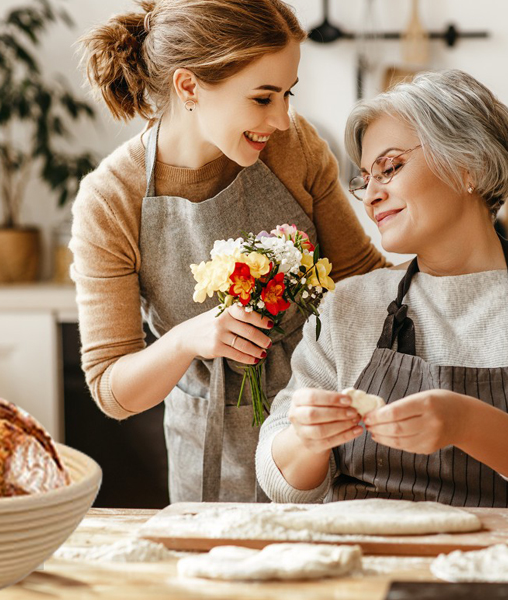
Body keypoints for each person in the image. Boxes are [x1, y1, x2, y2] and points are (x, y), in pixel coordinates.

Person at [256, 69, 508, 519]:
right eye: (366, 178)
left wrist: (468, 423)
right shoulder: (349, 304)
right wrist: (306, 439)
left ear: (471, 165)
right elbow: (280, 483)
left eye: (390, 167)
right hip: (358, 564)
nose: (370, 197)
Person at [71, 0, 387, 504]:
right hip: (209, 453)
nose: (282, 119)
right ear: (189, 86)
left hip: (323, 429)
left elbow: (365, 283)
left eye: (287, 94)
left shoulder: (293, 147)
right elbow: (114, 392)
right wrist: (186, 340)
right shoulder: (111, 198)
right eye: (263, 98)